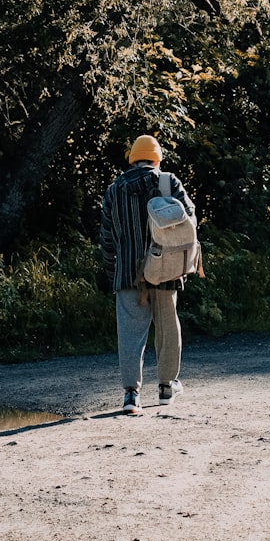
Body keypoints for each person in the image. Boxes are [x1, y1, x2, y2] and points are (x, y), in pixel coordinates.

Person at [100, 135, 196, 413]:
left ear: (133, 159)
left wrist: (112, 271)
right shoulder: (167, 182)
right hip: (166, 270)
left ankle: (131, 395)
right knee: (167, 328)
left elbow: (107, 238)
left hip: (128, 273)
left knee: (130, 334)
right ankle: (167, 387)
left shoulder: (114, 190)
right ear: (157, 159)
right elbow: (189, 221)